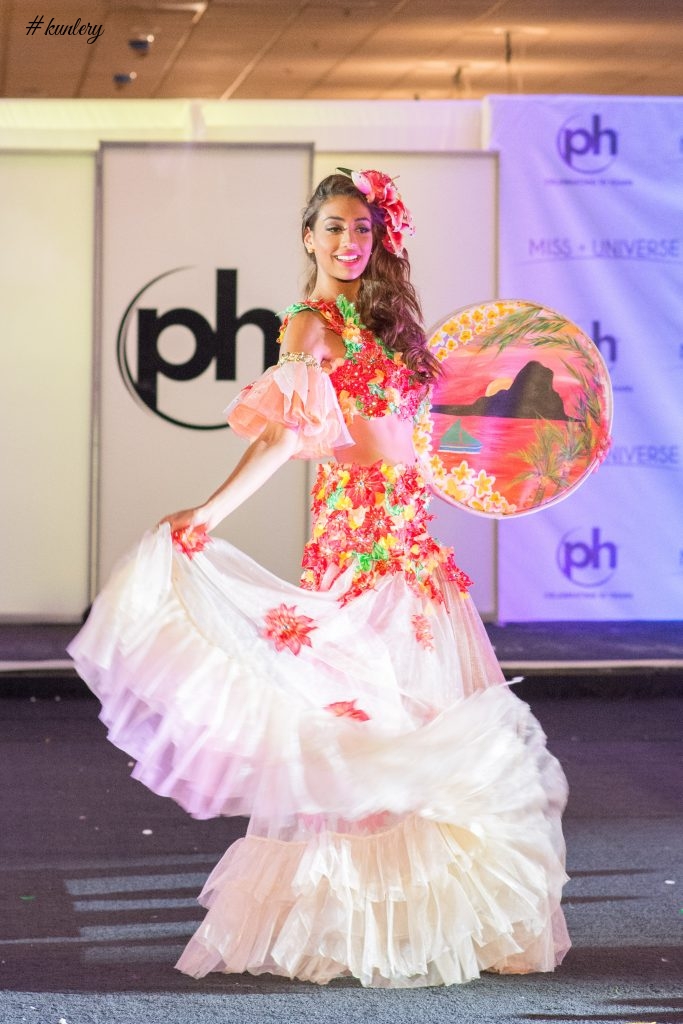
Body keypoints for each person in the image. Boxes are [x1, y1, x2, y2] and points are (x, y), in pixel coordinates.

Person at [68, 169, 570, 988]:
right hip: (358, 555)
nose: (348, 242)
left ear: (379, 240)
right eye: (333, 228)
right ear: (308, 237)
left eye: (361, 230)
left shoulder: (390, 323)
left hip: (417, 559)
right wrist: (209, 513)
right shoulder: (309, 325)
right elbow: (283, 440)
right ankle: (359, 928)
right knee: (360, 735)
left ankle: (441, 924)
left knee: (431, 731)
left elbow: (420, 433)